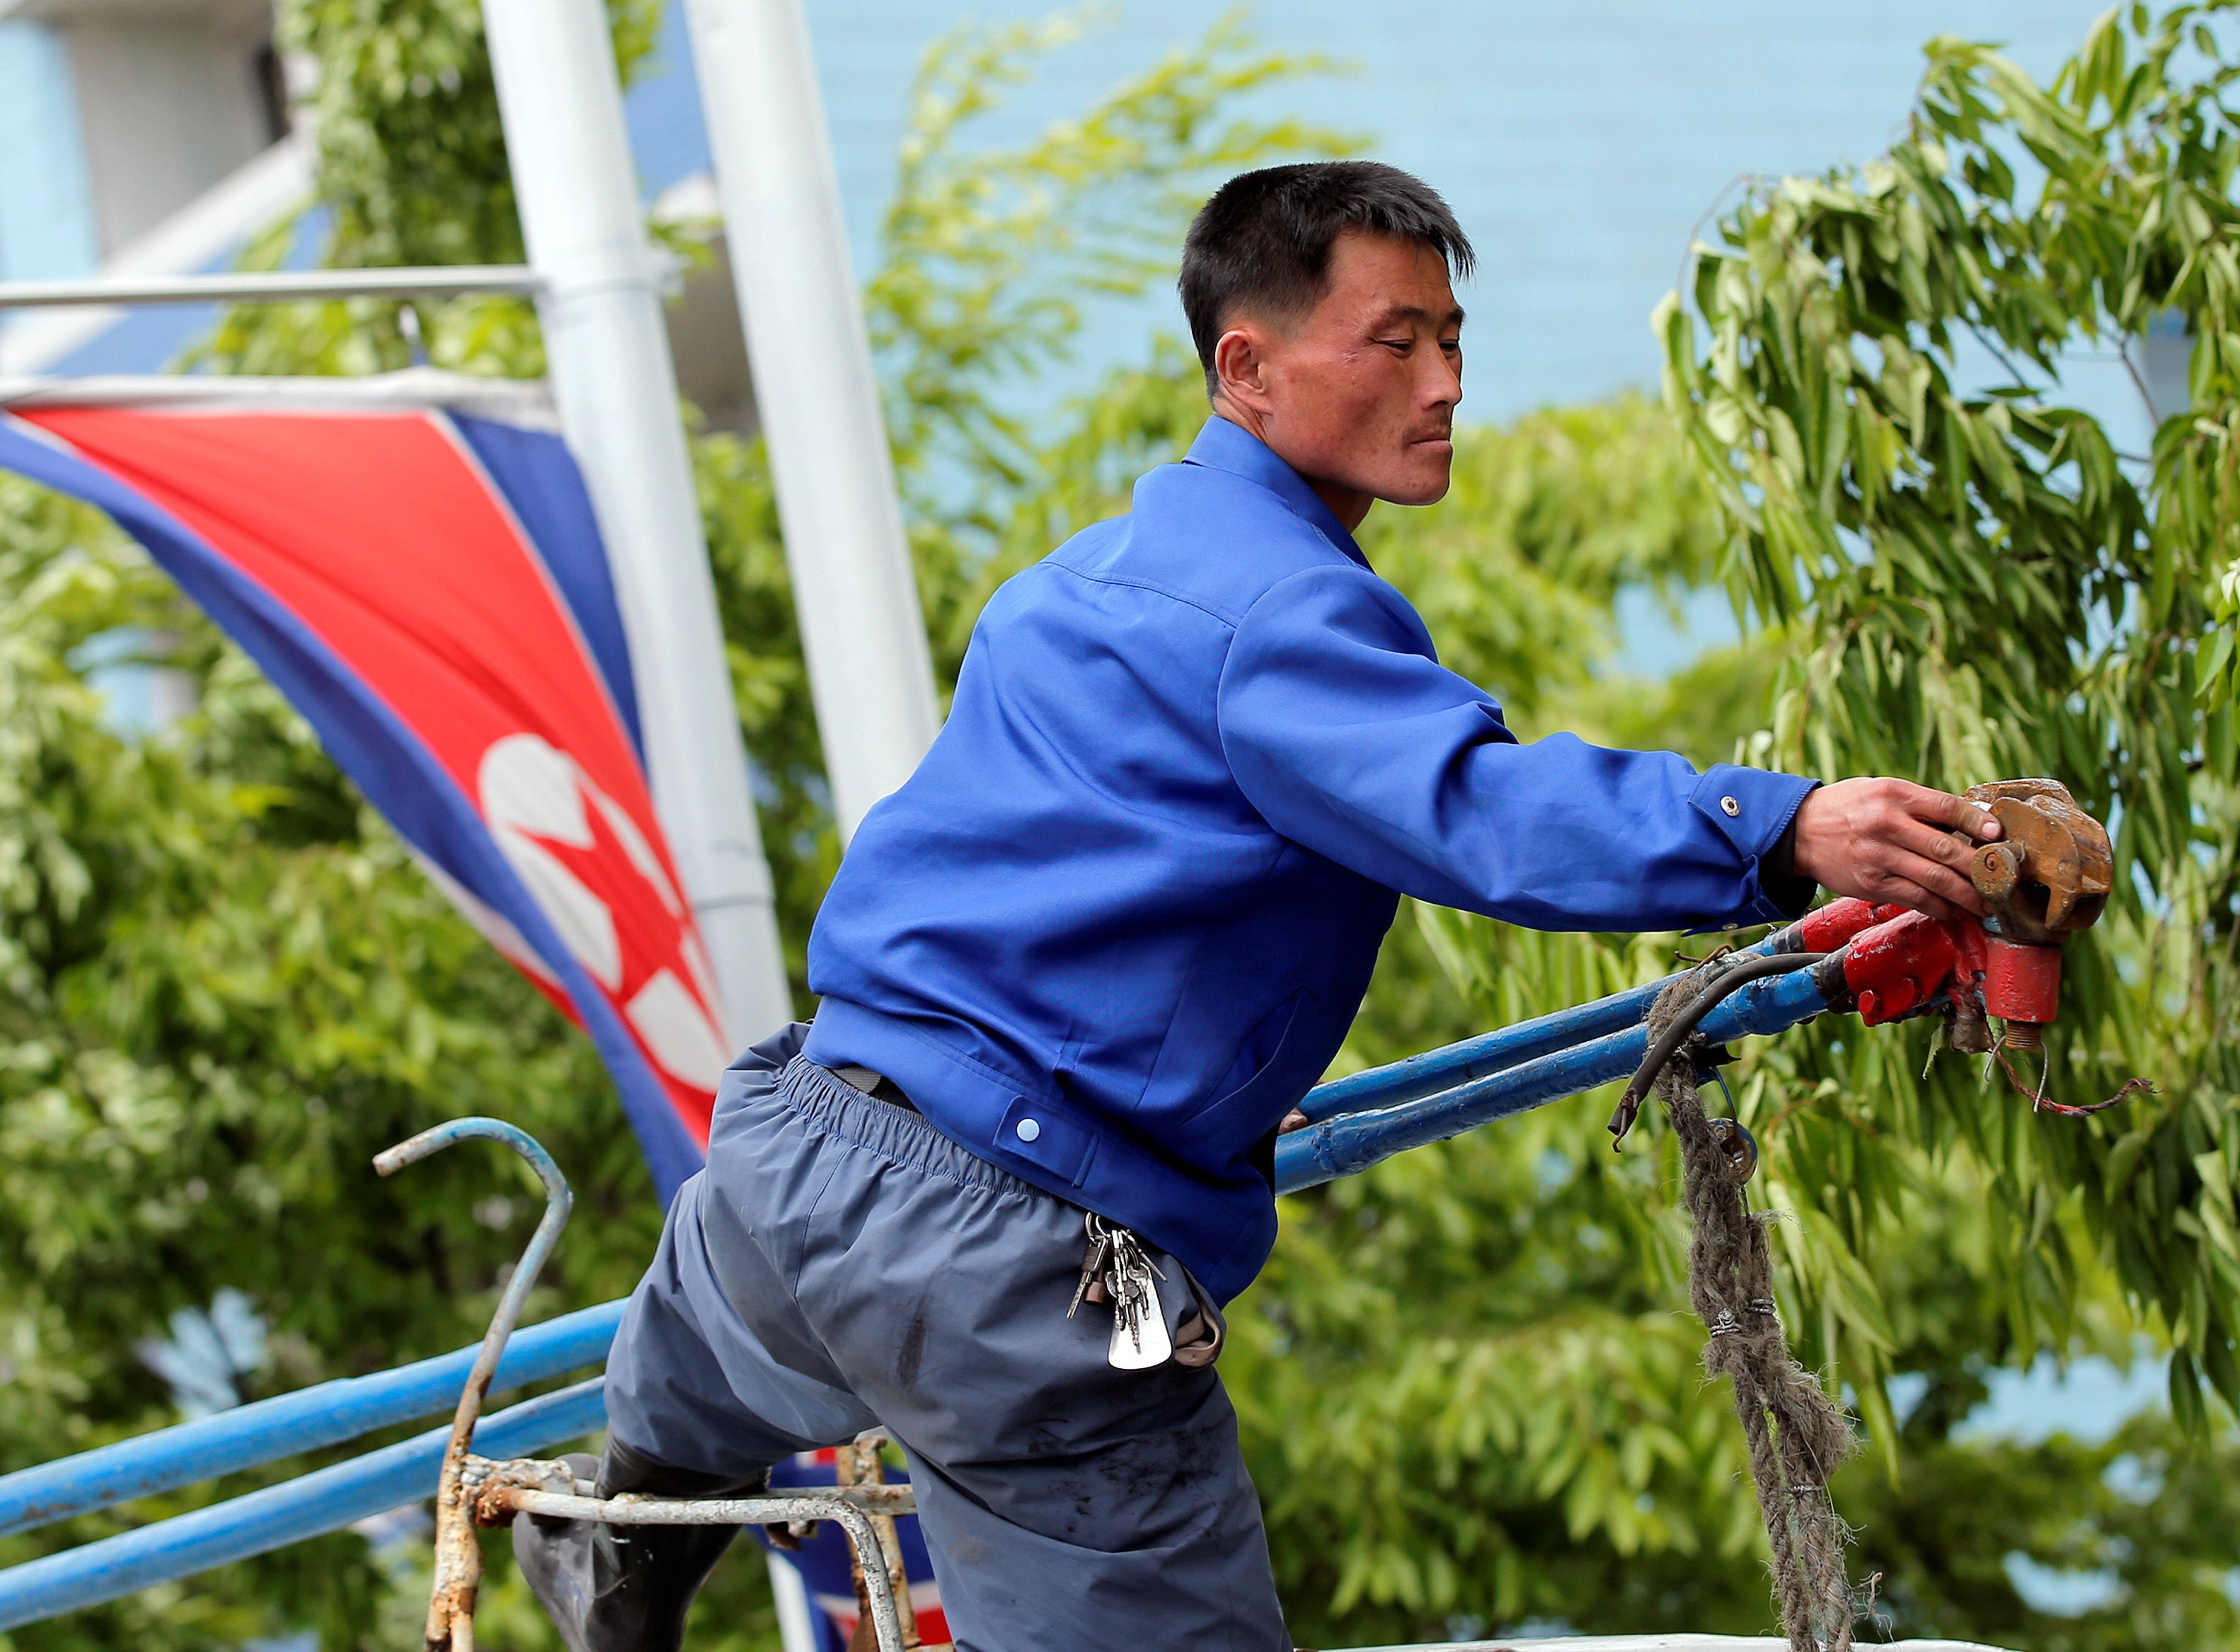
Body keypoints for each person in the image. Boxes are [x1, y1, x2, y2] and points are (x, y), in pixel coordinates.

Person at [515, 160, 2004, 1652]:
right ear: (1247, 366)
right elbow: (1479, 813)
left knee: (708, 1347)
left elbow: (1069, 884)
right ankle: (633, 1526)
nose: (1445, 385)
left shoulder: (1068, 583)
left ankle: (618, 1530)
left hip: (799, 1153)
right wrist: (1786, 827)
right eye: (1395, 343)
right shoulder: (1288, 609)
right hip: (1015, 1257)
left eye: (1452, 340)